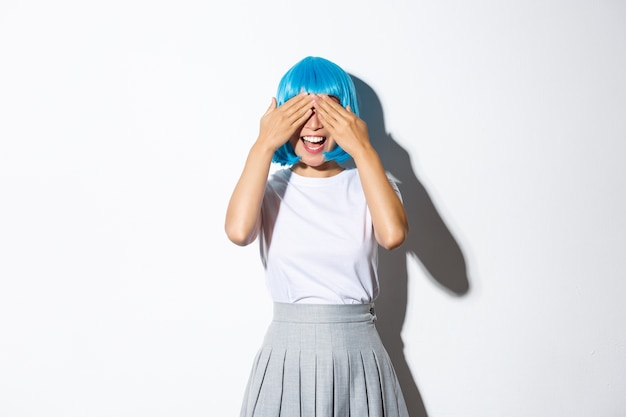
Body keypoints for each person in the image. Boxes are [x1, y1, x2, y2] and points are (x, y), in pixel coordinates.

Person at [225, 56, 410, 417]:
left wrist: (364, 148)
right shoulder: (270, 189)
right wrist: (263, 144)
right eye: (300, 111)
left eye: (327, 110)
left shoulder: (369, 185)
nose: (314, 124)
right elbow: (238, 231)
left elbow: (393, 235)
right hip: (285, 355)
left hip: (359, 352)